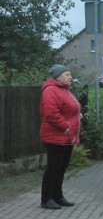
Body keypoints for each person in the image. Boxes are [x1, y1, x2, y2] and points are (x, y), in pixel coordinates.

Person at [39, 64, 82, 209]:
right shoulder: (51, 90)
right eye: (67, 74)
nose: (70, 77)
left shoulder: (64, 90)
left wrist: (77, 116)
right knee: (53, 167)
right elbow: (51, 114)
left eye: (70, 75)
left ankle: (58, 196)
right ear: (58, 77)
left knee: (62, 167)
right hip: (56, 137)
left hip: (66, 137)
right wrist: (67, 126)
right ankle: (46, 199)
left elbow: (68, 109)